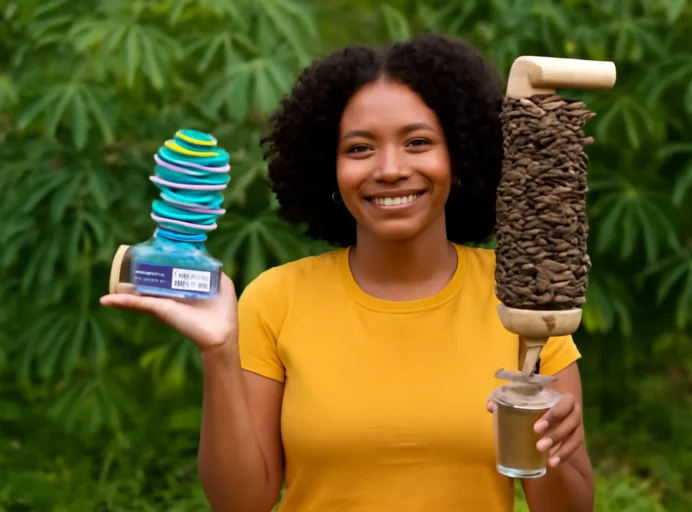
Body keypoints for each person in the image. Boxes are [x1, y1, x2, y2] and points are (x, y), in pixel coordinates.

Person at [101, 31, 594, 512]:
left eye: (418, 142)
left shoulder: (524, 299)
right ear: (329, 170)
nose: (390, 168)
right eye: (360, 148)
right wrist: (218, 352)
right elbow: (240, 502)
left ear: (460, 157)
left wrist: (553, 447)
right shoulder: (278, 298)